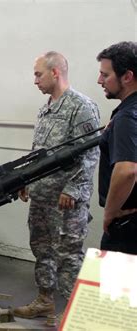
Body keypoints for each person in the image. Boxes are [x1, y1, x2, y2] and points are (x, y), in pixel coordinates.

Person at [13, 51, 100, 322]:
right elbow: (38, 152)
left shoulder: (81, 106)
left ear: (55, 73)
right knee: (42, 250)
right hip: (42, 196)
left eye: (38, 74)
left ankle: (77, 314)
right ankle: (45, 301)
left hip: (66, 200)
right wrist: (25, 179)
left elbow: (90, 153)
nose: (34, 80)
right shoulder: (47, 107)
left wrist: (73, 189)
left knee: (68, 257)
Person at [96, 41, 137, 254]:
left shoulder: (127, 117)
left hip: (127, 226)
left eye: (105, 75)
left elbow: (127, 170)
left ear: (127, 77)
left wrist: (110, 213)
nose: (99, 80)